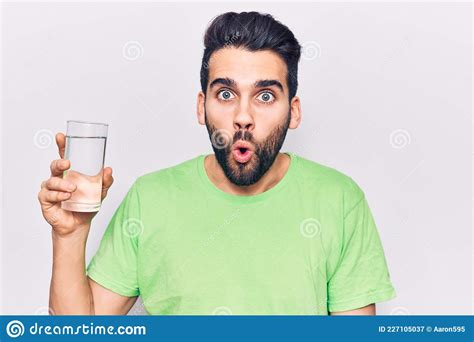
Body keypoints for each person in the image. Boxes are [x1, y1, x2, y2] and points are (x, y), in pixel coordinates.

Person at [38, 11, 396, 315]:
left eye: (266, 96)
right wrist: (69, 234)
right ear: (201, 107)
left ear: (294, 112)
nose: (243, 116)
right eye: (225, 94)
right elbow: (78, 334)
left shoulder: (340, 200)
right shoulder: (151, 198)